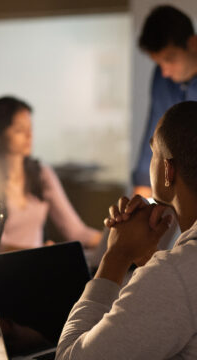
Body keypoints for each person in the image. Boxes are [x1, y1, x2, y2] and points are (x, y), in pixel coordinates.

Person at [56, 101, 197, 359]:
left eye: (152, 151)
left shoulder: (178, 273)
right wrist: (147, 264)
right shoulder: (176, 273)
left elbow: (70, 357)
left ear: (168, 170)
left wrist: (116, 256)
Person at [0, 96, 102, 265]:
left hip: (36, 268)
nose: (29, 135)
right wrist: (43, 253)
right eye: (19, 129)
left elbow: (76, 231)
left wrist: (114, 241)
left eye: (30, 128)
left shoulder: (42, 174)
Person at [133, 5, 197, 198]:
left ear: (193, 44)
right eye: (159, 63)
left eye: (170, 59)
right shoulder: (162, 80)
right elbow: (155, 134)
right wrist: (142, 191)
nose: (165, 71)